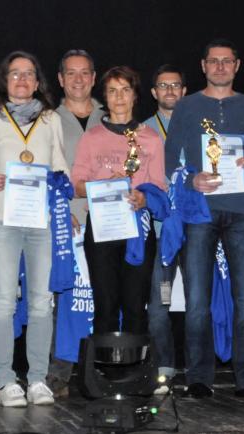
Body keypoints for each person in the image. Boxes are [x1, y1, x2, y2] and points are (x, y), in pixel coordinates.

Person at [164, 38, 244, 399]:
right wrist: (190, 179)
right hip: (200, 212)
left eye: (227, 61)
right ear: (203, 66)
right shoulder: (187, 107)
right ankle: (199, 378)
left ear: (237, 66)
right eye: (213, 61)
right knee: (197, 300)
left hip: (243, 212)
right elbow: (170, 161)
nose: (220, 67)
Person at [0, 51, 68, 407]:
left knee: (42, 302)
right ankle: (5, 381)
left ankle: (38, 379)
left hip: (41, 221)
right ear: (5, 80)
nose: (22, 80)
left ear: (38, 81)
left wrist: (59, 182)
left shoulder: (51, 119)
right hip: (2, 220)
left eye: (29, 74)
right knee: (2, 302)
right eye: (15, 74)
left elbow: (61, 166)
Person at [71, 65, 165, 337]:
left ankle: (136, 363)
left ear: (135, 95)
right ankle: (104, 364)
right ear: (105, 97)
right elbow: (76, 185)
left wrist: (143, 198)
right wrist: (103, 188)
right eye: (112, 91)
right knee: (105, 305)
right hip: (102, 227)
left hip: (138, 228)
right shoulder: (91, 137)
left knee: (136, 306)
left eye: (125, 90)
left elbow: (159, 188)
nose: (119, 96)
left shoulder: (151, 139)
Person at [46, 49, 105, 398]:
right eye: (71, 73)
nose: (78, 79)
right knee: (65, 299)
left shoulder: (111, 116)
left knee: (103, 299)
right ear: (60, 79)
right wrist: (59, 210)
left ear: (94, 78)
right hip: (66, 221)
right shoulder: (48, 120)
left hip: (107, 221)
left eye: (85, 73)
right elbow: (45, 170)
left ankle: (100, 372)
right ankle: (58, 375)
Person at [141, 64, 187, 390]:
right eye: (163, 85)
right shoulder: (142, 131)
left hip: (197, 227)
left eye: (175, 85)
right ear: (154, 92)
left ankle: (200, 370)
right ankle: (165, 368)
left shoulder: (200, 126)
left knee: (200, 302)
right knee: (158, 305)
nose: (170, 90)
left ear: (184, 91)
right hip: (159, 231)